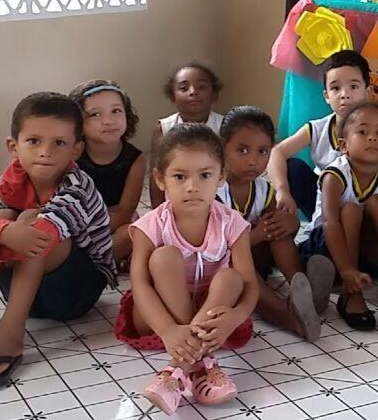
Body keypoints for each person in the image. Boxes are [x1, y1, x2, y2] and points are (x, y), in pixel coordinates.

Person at [0, 93, 114, 392]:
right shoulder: (7, 182)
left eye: (60, 143)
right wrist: (0, 228)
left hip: (76, 292)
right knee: (3, 218)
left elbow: (37, 236)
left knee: (34, 227)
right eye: (34, 141)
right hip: (22, 292)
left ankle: (11, 333)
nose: (45, 152)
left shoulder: (78, 187)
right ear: (13, 147)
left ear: (76, 150)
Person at [117, 124, 256, 414]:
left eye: (205, 175)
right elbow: (140, 284)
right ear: (160, 179)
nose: (192, 186)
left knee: (231, 277)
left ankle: (175, 373)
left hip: (213, 316)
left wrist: (236, 317)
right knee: (164, 256)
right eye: (180, 176)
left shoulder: (232, 223)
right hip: (157, 316)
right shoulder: (150, 225)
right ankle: (202, 364)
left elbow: (250, 284)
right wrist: (168, 330)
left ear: (221, 176)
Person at [216, 106, 334, 340]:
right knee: (245, 276)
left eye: (262, 152)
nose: (253, 161)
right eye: (242, 150)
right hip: (223, 268)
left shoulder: (262, 189)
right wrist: (258, 235)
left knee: (278, 233)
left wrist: (291, 224)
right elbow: (215, 249)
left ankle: (304, 291)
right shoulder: (215, 192)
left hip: (256, 256)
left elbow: (279, 226)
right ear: (222, 149)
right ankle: (290, 318)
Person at [297, 102, 378, 328]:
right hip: (327, 243)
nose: (372, 138)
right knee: (351, 209)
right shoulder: (335, 175)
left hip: (366, 251)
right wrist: (346, 270)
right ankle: (348, 290)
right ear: (343, 145)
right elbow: (330, 223)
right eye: (362, 132)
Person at [267, 50, 370, 220]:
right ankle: (320, 225)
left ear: (367, 91)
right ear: (326, 96)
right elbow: (277, 152)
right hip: (323, 201)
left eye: (353, 86)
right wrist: (282, 190)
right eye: (335, 88)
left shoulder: (377, 128)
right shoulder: (317, 128)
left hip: (361, 203)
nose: (344, 94)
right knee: (294, 168)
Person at [71, 80, 147, 266]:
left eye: (116, 111)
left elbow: (124, 211)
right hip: (78, 224)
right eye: (95, 114)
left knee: (133, 232)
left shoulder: (136, 160)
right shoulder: (72, 156)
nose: (108, 120)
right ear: (79, 123)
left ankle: (91, 264)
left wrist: (96, 238)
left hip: (114, 225)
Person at [149, 62, 225, 207]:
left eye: (201, 87)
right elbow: (156, 175)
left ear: (214, 94)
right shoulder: (163, 128)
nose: (193, 92)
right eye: (184, 88)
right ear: (173, 97)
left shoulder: (224, 126)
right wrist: (157, 212)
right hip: (175, 202)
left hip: (216, 202)